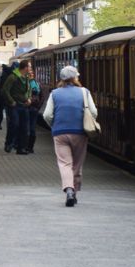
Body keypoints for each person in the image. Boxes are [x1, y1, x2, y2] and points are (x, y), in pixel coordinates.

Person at [42, 65, 96, 207]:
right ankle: (75, 192)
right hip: (80, 133)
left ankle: (69, 190)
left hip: (60, 133)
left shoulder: (54, 93)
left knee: (65, 163)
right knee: (77, 164)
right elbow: (94, 112)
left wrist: (53, 126)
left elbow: (47, 114)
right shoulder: (84, 92)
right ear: (75, 78)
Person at [2, 61, 32, 154]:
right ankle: (9, 143)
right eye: (30, 67)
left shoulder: (26, 77)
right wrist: (11, 101)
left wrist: (29, 98)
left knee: (25, 128)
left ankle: (21, 148)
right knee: (15, 124)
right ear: (25, 68)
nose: (31, 69)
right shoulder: (13, 77)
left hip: (24, 105)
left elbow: (29, 89)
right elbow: (5, 90)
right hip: (14, 105)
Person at [25, 68, 41, 153]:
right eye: (29, 74)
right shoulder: (36, 84)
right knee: (30, 128)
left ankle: (29, 147)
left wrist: (38, 106)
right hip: (31, 108)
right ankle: (29, 147)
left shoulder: (31, 84)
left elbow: (41, 96)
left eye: (32, 74)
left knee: (30, 128)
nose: (31, 75)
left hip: (31, 108)